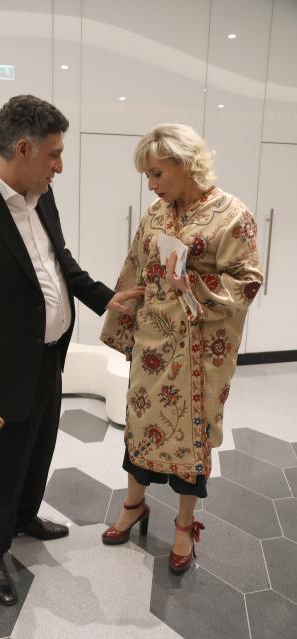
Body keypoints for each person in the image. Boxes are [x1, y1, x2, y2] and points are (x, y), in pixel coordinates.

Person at [0, 94, 144, 606]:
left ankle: (24, 517)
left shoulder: (41, 196)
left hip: (49, 356)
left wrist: (103, 297)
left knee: (40, 448)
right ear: (23, 149)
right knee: (3, 462)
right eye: (54, 154)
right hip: (2, 370)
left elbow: (59, 262)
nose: (59, 166)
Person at [100, 123, 263, 574]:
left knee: (194, 434)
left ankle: (185, 525)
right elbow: (135, 267)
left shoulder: (233, 215)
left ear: (186, 163)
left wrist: (192, 282)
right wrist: (123, 328)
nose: (151, 185)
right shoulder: (155, 214)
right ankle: (134, 505)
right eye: (147, 176)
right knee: (141, 422)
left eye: (157, 174)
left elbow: (248, 282)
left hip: (202, 352)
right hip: (152, 344)